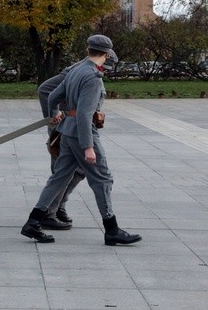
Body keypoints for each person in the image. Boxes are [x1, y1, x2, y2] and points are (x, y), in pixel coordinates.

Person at [21, 35, 142, 245]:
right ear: (105, 54)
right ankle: (111, 230)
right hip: (82, 134)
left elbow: (52, 96)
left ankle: (33, 222)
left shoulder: (75, 69)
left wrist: (55, 114)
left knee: (58, 178)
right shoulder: (93, 77)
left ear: (89, 50)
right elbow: (86, 115)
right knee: (103, 179)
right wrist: (88, 147)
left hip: (67, 131)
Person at [36, 49, 118, 230]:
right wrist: (53, 119)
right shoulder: (79, 71)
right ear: (103, 58)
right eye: (107, 67)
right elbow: (46, 90)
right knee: (70, 173)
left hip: (72, 127)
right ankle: (49, 213)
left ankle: (52, 210)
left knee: (71, 172)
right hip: (68, 129)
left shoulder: (87, 70)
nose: (106, 72)